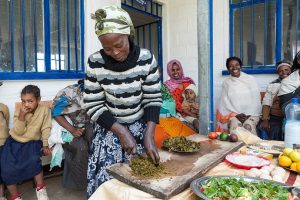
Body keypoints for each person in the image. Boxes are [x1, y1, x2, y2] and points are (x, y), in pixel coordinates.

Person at [84, 6, 162, 198]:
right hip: (110, 128)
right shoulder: (95, 63)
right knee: (108, 184)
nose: (115, 52)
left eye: (119, 45)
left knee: (141, 182)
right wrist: (121, 131)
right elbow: (93, 104)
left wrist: (149, 134)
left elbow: (152, 97)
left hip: (139, 127)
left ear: (129, 34)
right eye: (107, 48)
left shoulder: (146, 59)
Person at [1, 85, 51, 200]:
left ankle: (41, 188)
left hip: (32, 142)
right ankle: (15, 196)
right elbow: (18, 131)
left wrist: (45, 144)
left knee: (34, 161)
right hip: (14, 142)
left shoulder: (44, 110)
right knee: (7, 169)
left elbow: (46, 127)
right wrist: (22, 116)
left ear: (38, 100)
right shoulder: (19, 111)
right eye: (23, 101)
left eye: (30, 101)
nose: (26, 104)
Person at [50, 79, 93, 190]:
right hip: (68, 127)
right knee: (81, 148)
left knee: (95, 142)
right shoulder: (68, 93)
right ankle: (83, 185)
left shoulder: (100, 92)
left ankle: (96, 179)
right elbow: (55, 113)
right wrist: (72, 130)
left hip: (88, 125)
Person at [216, 56, 261, 135]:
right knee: (235, 125)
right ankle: (236, 147)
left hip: (253, 114)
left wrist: (249, 114)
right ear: (228, 69)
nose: (234, 67)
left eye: (237, 65)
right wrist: (236, 115)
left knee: (248, 125)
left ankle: (251, 147)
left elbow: (256, 101)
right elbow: (225, 103)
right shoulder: (226, 83)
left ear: (240, 66)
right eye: (231, 66)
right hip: (235, 114)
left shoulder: (251, 79)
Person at [258, 61, 292, 140]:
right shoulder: (272, 85)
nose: (284, 72)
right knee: (271, 129)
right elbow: (266, 103)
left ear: (291, 71)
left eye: (286, 70)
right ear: (278, 73)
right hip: (276, 117)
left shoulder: (296, 83)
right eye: (281, 71)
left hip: (291, 117)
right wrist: (265, 119)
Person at [154, 84, 195, 148]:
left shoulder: (162, 90)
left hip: (169, 120)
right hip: (168, 120)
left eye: (191, 93)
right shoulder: (165, 93)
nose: (188, 95)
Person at [0, 81, 9, 200]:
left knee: (3, 168)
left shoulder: (2, 107)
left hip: (2, 144)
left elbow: (6, 122)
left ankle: (1, 193)